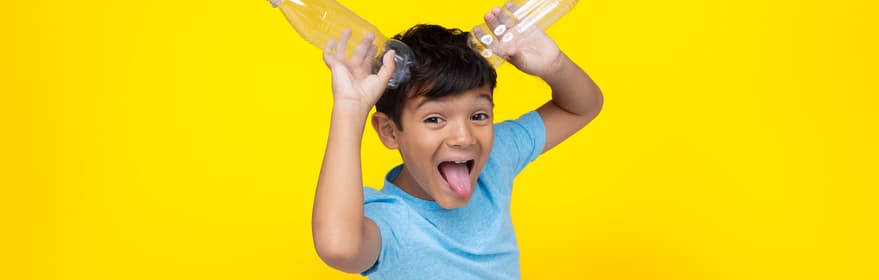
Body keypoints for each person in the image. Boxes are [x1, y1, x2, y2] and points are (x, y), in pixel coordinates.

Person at [312, 5, 603, 279]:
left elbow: (581, 106)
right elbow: (339, 246)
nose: (464, 137)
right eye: (435, 119)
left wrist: (554, 65)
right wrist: (350, 108)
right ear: (390, 132)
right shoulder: (390, 220)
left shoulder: (495, 159)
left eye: (478, 115)